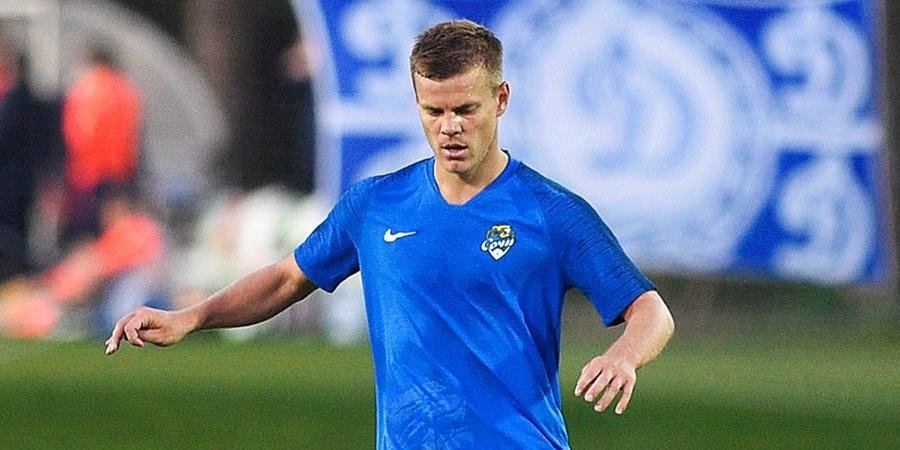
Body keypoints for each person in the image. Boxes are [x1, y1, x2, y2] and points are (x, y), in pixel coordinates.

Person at [106, 20, 674, 448]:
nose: (450, 128)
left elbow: (651, 311)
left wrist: (624, 356)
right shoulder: (376, 204)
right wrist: (191, 318)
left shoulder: (551, 212)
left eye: (466, 109)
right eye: (434, 111)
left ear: (501, 100)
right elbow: (285, 279)